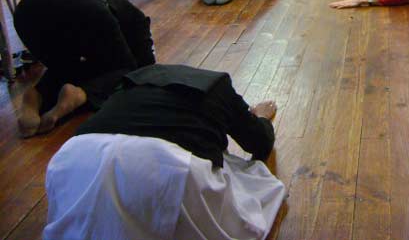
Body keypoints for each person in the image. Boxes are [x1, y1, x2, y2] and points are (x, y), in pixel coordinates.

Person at [43, 63, 286, 240]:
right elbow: (260, 143)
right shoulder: (218, 86)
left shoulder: (129, 85)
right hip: (162, 166)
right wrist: (261, 118)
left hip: (75, 157)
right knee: (250, 192)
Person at [13, 0, 155, 137]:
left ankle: (35, 94)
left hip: (26, 12)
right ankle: (81, 94)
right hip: (85, 8)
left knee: (65, 67)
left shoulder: (109, 3)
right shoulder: (137, 21)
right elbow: (145, 67)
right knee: (129, 71)